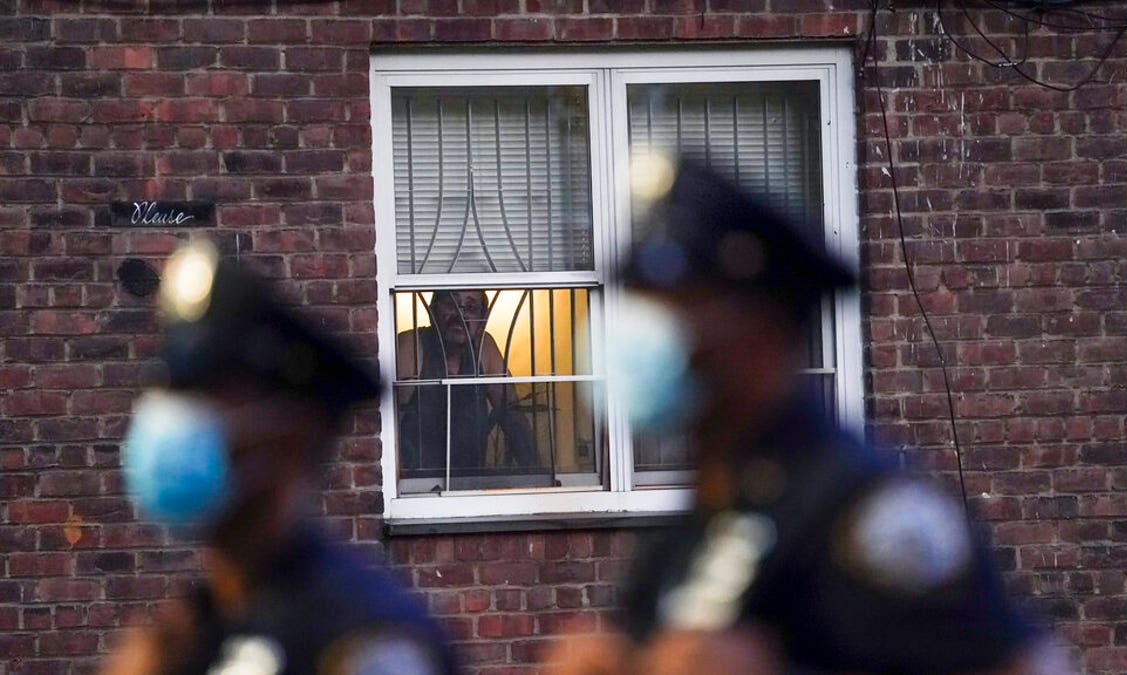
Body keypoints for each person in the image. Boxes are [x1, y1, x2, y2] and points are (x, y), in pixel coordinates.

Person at [546, 156, 1069, 675]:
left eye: (673, 307)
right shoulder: (708, 511)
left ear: (762, 330)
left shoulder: (866, 512)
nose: (639, 334)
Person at [103, 239, 458, 675]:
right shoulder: (187, 636)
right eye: (178, 397)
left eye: (212, 402)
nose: (176, 425)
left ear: (291, 434)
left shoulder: (362, 642)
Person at [395, 289, 537, 478]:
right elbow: (392, 422)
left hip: (471, 483)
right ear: (432, 312)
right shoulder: (412, 344)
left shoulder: (484, 348)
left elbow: (513, 419)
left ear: (482, 320)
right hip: (416, 484)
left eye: (471, 308)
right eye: (450, 305)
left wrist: (537, 476)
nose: (460, 315)